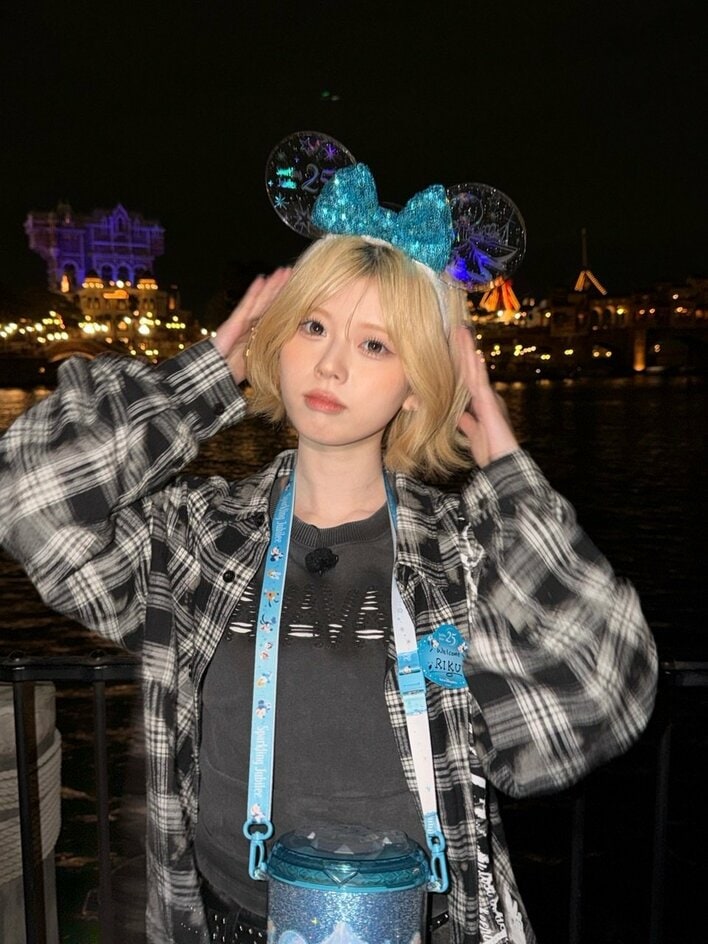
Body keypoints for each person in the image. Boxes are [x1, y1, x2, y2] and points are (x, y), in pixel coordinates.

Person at [0, 213, 657, 943]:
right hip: (223, 924)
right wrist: (205, 373)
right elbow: (29, 502)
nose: (331, 365)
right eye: (312, 327)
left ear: (416, 386)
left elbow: (607, 686)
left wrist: (508, 469)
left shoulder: (460, 551)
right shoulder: (201, 537)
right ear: (276, 341)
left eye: (374, 344)